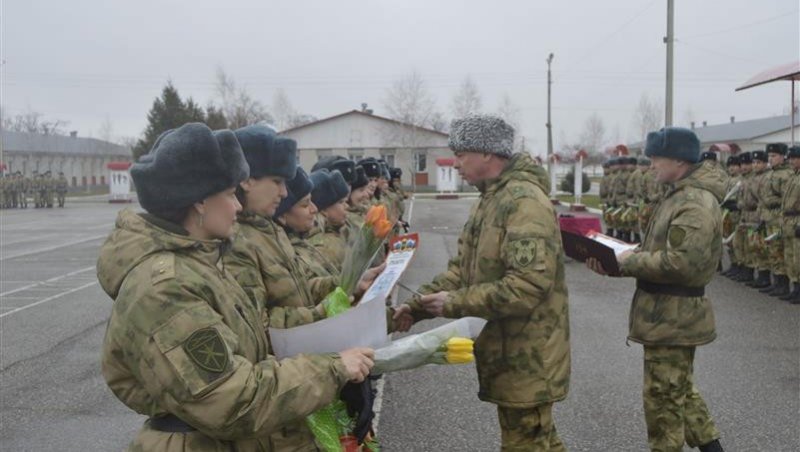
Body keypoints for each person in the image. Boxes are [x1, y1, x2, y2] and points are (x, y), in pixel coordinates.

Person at [98, 122, 375, 451]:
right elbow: (231, 401)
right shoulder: (165, 288)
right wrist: (333, 368)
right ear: (200, 201)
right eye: (230, 194)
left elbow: (257, 340)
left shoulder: (200, 266)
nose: (238, 206)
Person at [396, 114, 570, 451]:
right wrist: (416, 307)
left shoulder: (522, 202)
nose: (456, 164)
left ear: (487, 154)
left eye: (461, 155)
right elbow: (463, 270)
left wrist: (454, 303)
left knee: (527, 442)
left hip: (529, 357)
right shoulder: (490, 200)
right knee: (540, 440)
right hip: (509, 354)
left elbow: (526, 287)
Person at [587, 127, 725, 452]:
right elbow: (655, 252)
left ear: (678, 159)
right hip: (665, 315)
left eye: (655, 158)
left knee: (663, 405)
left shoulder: (693, 203)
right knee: (680, 391)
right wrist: (614, 262)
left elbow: (681, 264)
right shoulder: (677, 195)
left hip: (673, 319)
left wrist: (626, 262)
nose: (651, 166)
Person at [757, 143, 793, 296]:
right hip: (768, 217)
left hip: (779, 218)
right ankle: (777, 282)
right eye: (769, 156)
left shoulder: (787, 175)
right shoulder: (769, 174)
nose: (770, 159)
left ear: (783, 156)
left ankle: (784, 284)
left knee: (780, 251)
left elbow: (788, 199)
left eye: (774, 156)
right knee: (772, 251)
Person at [308, 169, 352, 273]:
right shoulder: (322, 247)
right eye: (341, 202)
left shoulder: (339, 231)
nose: (347, 206)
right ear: (324, 210)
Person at [780, 146, 800, 303]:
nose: (791, 161)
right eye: (790, 158)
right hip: (788, 221)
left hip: (798, 220)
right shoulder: (793, 176)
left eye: (794, 158)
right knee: (790, 256)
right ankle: (795, 288)